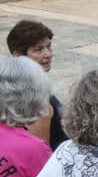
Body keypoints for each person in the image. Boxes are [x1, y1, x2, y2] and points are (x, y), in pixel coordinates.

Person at [6, 20, 68, 150]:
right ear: (18, 55)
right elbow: (40, 152)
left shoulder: (6, 85)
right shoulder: (34, 98)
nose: (48, 54)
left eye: (49, 47)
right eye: (38, 50)